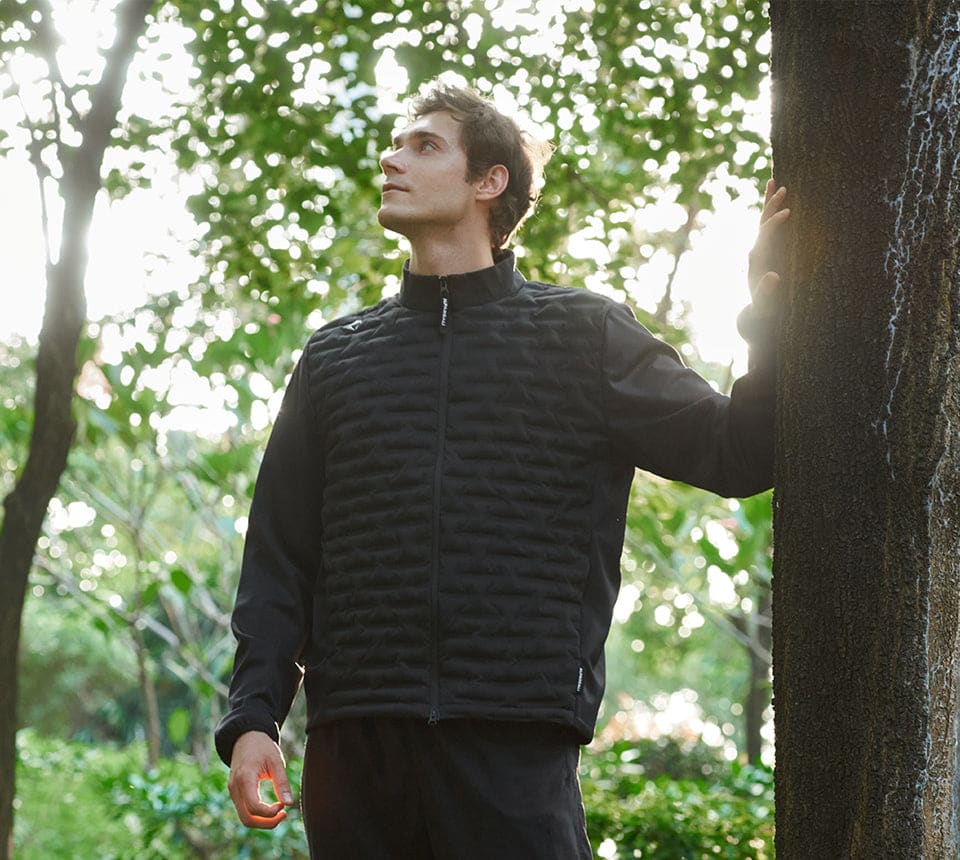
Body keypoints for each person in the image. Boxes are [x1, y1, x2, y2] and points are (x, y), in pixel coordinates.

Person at [214, 81, 790, 859]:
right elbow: (279, 558)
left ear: (490, 181)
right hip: (356, 754)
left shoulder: (586, 336)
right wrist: (253, 719)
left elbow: (737, 451)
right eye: (397, 143)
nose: (391, 159)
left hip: (514, 749)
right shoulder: (334, 360)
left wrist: (768, 316)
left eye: (425, 145)